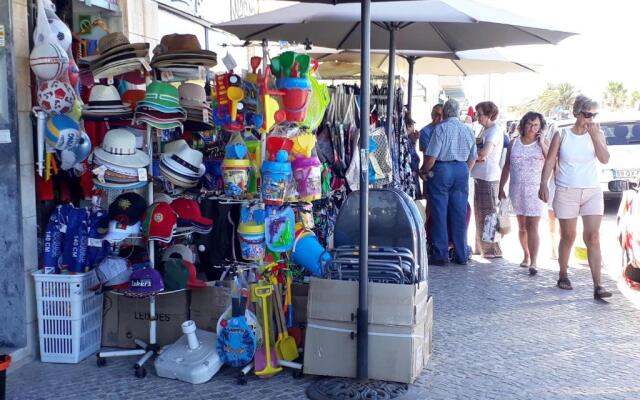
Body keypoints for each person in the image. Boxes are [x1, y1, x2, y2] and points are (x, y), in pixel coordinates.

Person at [539, 95, 611, 299]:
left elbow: (604, 159)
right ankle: (563, 273)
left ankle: (598, 285)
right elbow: (551, 161)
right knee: (568, 235)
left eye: (594, 115)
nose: (591, 119)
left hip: (592, 190)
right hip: (566, 190)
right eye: (588, 114)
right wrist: (543, 183)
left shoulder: (598, 133)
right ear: (577, 113)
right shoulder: (562, 134)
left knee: (593, 237)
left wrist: (596, 137)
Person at [423, 99, 477, 265]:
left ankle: (441, 254)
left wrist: (424, 170)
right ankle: (461, 254)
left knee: (439, 213)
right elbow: (473, 157)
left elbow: (432, 156)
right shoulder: (467, 130)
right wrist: (463, 170)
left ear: (445, 113)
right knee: (459, 213)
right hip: (461, 169)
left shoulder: (440, 128)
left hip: (442, 170)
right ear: (458, 113)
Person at [499, 112, 548, 276]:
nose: (532, 128)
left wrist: (542, 143)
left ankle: (534, 261)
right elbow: (507, 166)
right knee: (522, 226)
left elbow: (551, 161)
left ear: (540, 127)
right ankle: (526, 254)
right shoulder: (514, 143)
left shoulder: (542, 143)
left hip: (535, 190)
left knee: (533, 226)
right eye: (529, 124)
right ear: (523, 124)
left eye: (536, 125)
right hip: (517, 189)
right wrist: (501, 187)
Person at [471, 101, 504, 259]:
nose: (477, 117)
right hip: (480, 176)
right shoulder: (484, 130)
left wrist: (474, 157)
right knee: (480, 212)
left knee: (489, 214)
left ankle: (491, 249)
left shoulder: (494, 131)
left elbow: (483, 153)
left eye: (480, 114)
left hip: (489, 177)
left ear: (489, 115)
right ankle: (482, 246)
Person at [419, 104, 443, 197]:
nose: (439, 118)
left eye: (442, 115)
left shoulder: (446, 129)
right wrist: (424, 171)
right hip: (431, 170)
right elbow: (426, 156)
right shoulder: (425, 131)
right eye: (436, 114)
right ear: (432, 115)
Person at [405, 115, 421, 199]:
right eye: (412, 126)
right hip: (410, 179)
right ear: (408, 126)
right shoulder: (405, 141)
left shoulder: (408, 140)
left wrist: (414, 141)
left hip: (413, 177)